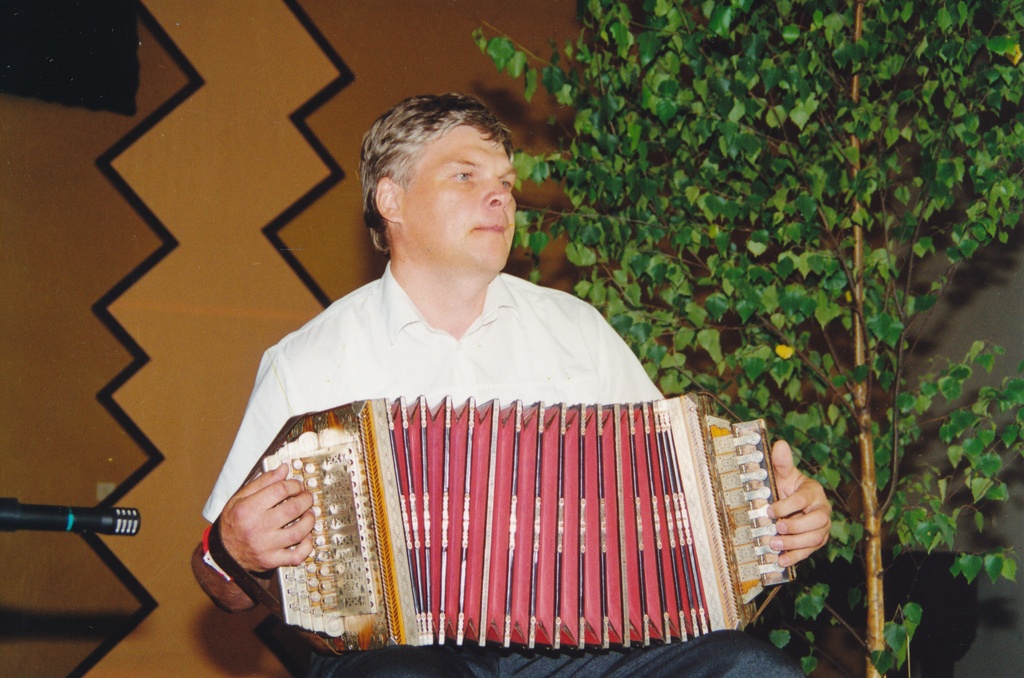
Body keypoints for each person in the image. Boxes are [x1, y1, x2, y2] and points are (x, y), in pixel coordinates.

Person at [192, 93, 831, 676]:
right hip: (391, 651)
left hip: (586, 644)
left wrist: (768, 522)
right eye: (466, 176)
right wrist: (230, 549)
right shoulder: (308, 361)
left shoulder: (576, 328)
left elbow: (680, 501)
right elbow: (219, 580)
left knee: (749, 668)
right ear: (391, 200)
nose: (500, 197)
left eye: (505, 182)